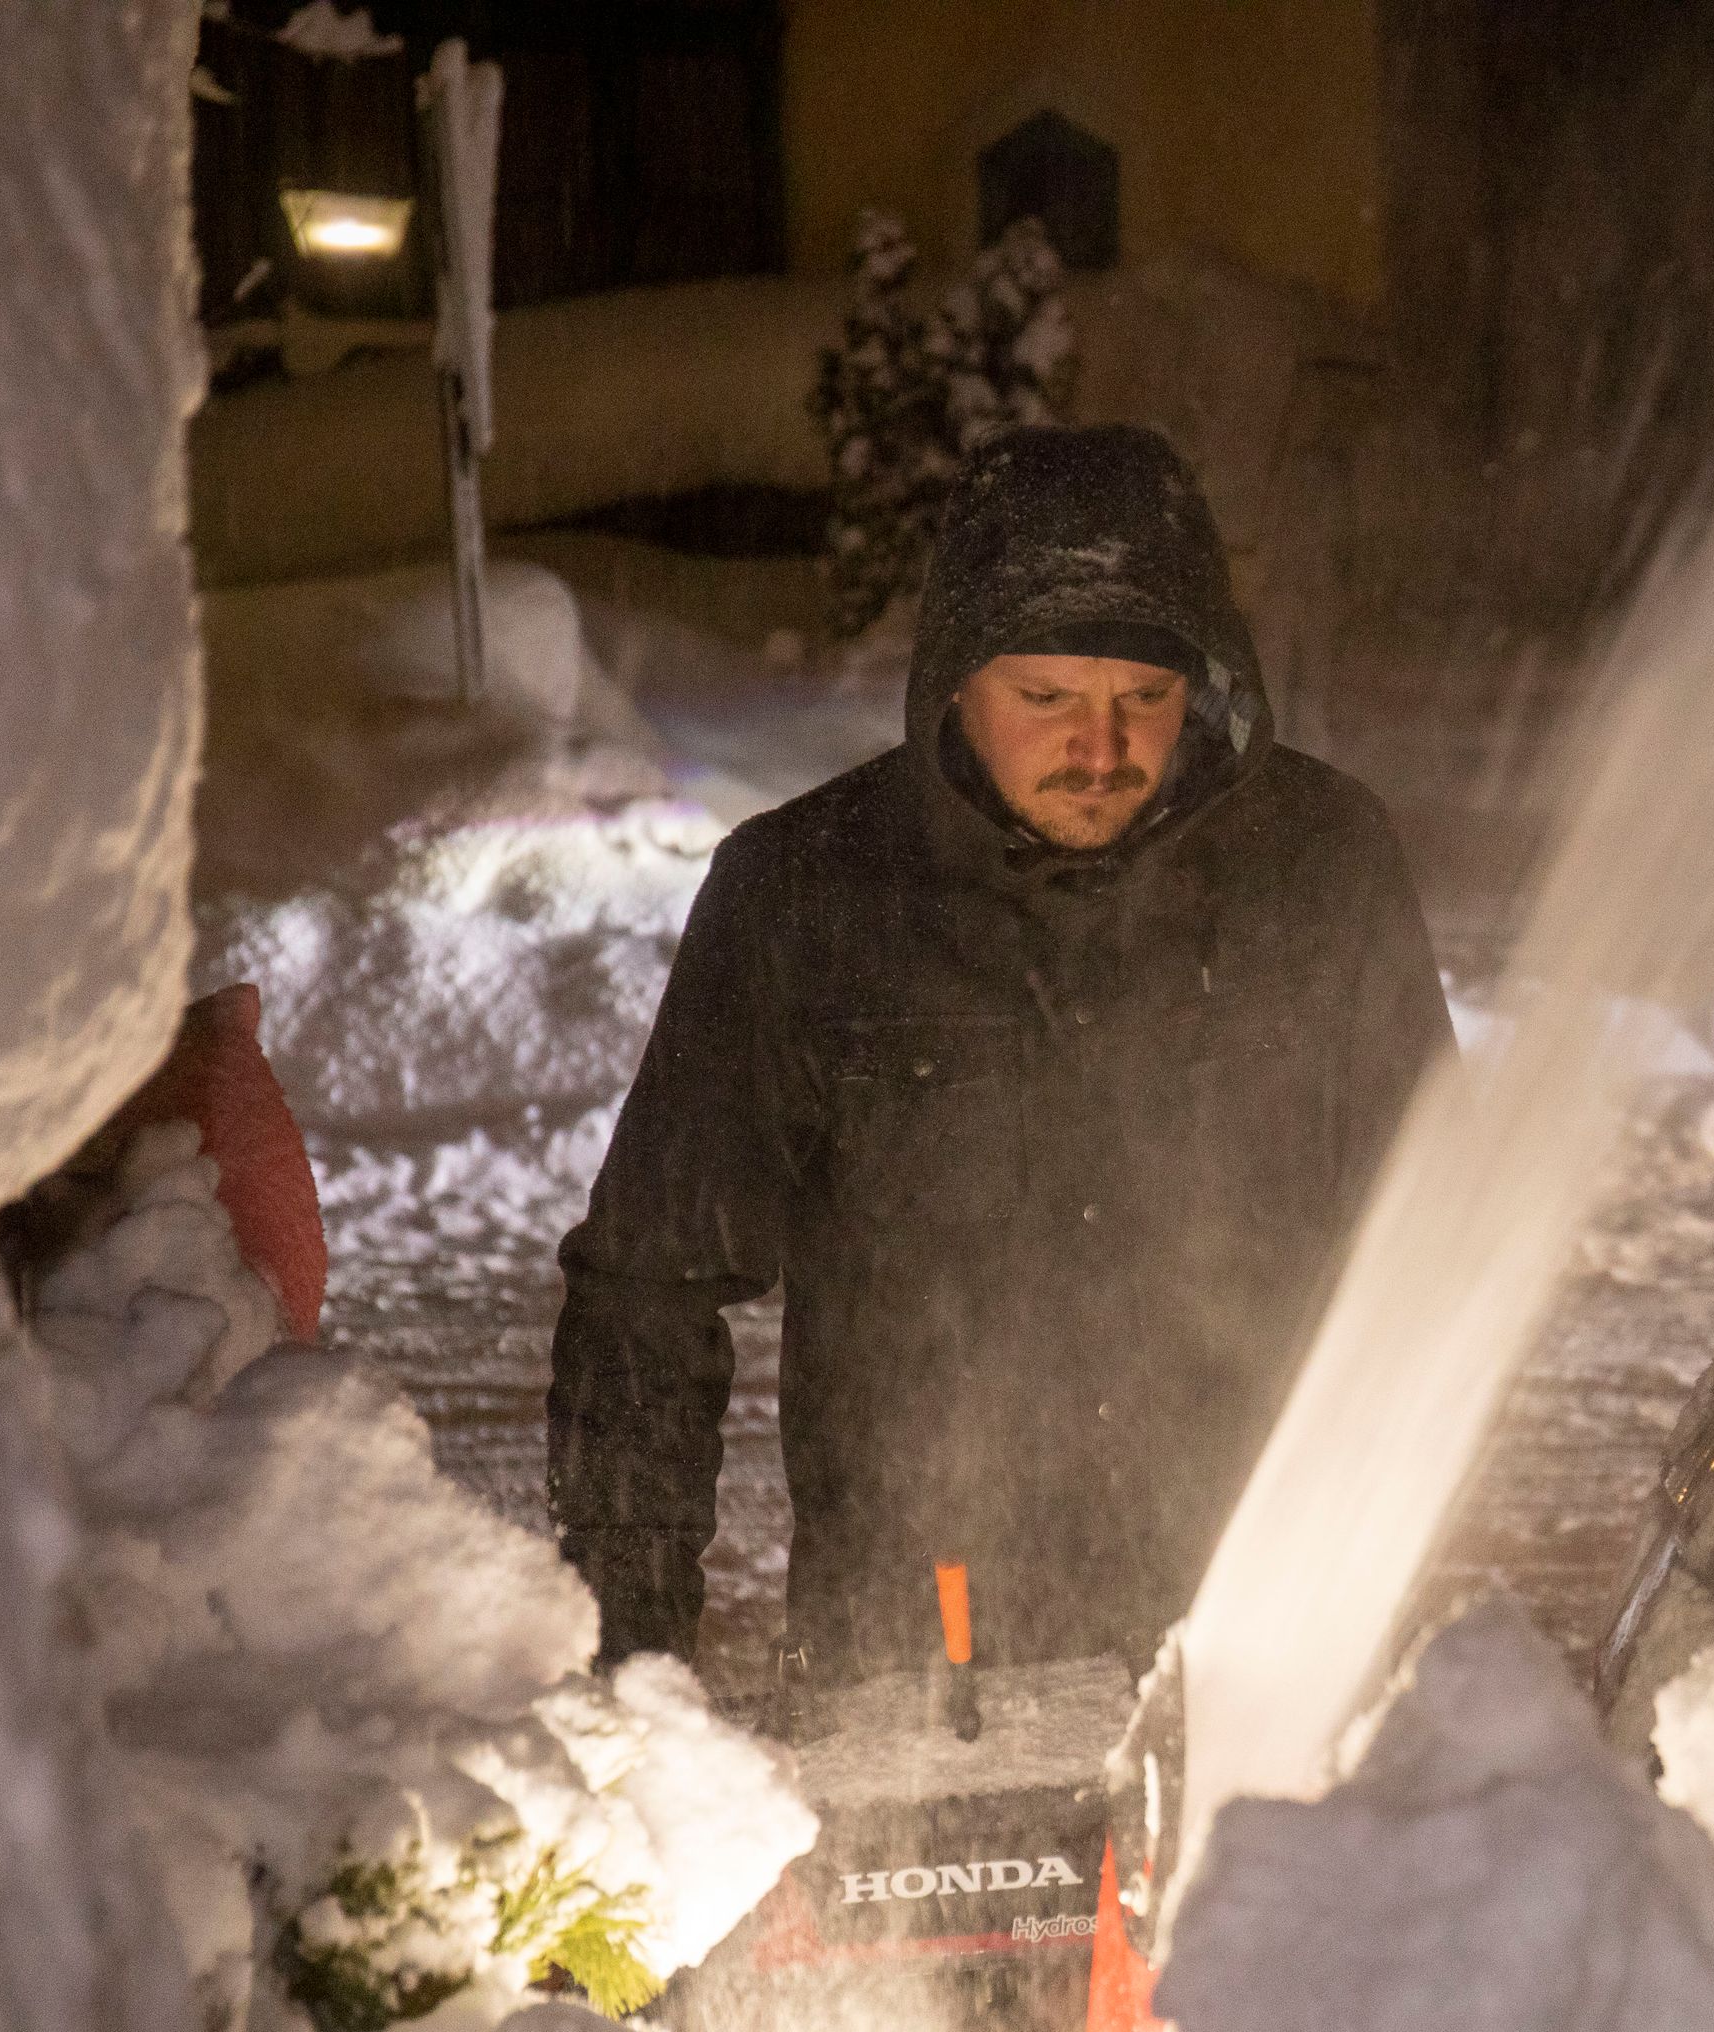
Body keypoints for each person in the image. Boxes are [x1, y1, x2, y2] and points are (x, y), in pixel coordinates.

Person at [546, 424, 1451, 1692]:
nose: (1101, 748)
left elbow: (1433, 1254)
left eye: (1143, 699)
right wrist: (629, 1656)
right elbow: (648, 1290)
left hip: (1258, 1645)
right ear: (954, 686)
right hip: (915, 1655)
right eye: (1047, 701)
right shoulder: (806, 896)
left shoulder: (1321, 871)